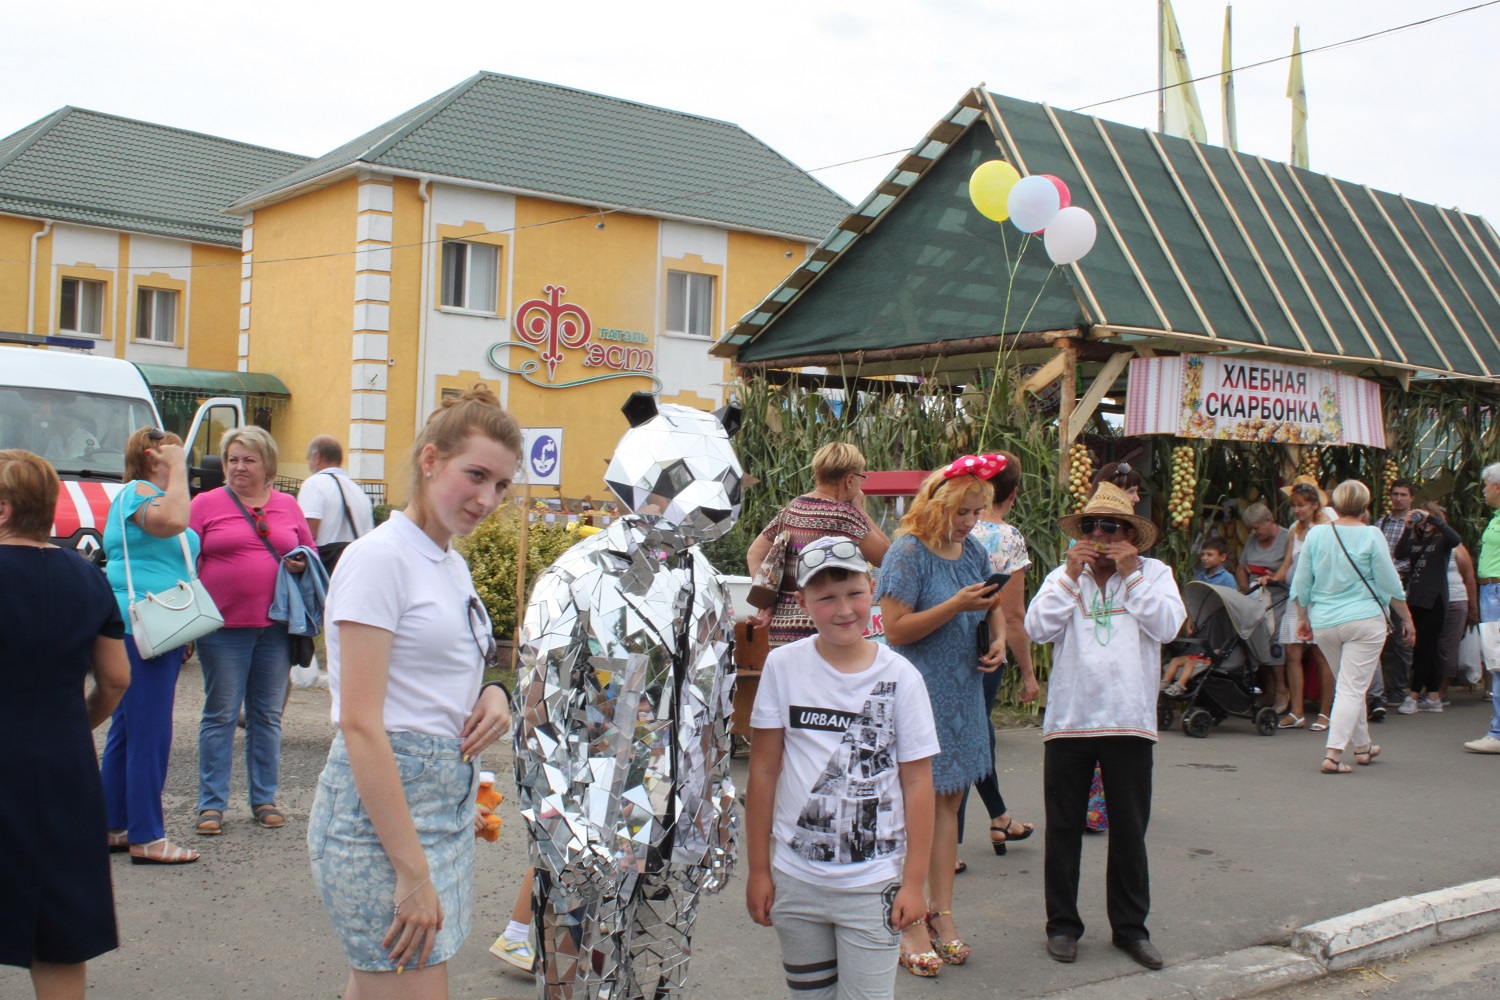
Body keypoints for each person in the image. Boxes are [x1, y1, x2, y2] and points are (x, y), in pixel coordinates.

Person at [307, 387, 517, 995]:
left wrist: (493, 694)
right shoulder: (381, 560)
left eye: (501, 485)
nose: (487, 499)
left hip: (436, 811)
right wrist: (412, 871)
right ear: (430, 461)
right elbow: (361, 724)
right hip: (380, 823)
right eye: (475, 475)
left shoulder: (448, 561)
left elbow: (442, 671)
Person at [746, 536, 939, 989]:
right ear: (802, 602)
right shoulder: (782, 666)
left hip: (873, 884)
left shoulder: (901, 678)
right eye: (826, 598)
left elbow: (918, 784)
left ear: (871, 587)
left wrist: (914, 883)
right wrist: (759, 870)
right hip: (796, 881)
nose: (843, 609)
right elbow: (763, 770)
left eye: (853, 593)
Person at [1025, 482, 1185, 971]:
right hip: (1070, 722)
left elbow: (1169, 627)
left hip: (1128, 721)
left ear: (1130, 534)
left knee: (1131, 831)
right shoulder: (1062, 576)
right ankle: (1062, 927)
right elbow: (1037, 629)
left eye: (1110, 527)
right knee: (1064, 830)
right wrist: (1071, 577)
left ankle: (1131, 930)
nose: (1098, 536)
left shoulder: (1154, 574)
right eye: (1090, 527)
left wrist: (1131, 574)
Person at [0, 449, 131, 1000]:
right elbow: (117, 679)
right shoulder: (88, 578)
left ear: (3, 508)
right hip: (63, 761)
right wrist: (73, 724)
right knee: (59, 930)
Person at [874, 457, 1005, 972]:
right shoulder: (907, 552)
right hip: (919, 693)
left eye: (976, 513)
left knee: (949, 802)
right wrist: (955, 605)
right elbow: (896, 629)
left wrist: (996, 638)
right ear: (937, 503)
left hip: (964, 689)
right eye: (962, 513)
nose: (970, 523)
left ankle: (941, 913)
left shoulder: (971, 548)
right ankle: (906, 922)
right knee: (913, 808)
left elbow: (991, 600)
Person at [189, 426, 315, 836]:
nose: (239, 467)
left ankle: (264, 799)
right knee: (221, 714)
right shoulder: (206, 504)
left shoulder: (287, 506)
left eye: (248, 460)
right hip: (221, 627)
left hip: (276, 628)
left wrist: (298, 561)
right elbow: (186, 559)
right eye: (232, 460)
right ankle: (211, 805)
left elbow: (310, 553)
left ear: (267, 466)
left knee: (266, 716)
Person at [100, 428, 201, 864]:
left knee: (128, 729)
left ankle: (115, 824)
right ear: (150, 455)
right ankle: (147, 835)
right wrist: (177, 468)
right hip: (145, 624)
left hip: (155, 622)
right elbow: (176, 521)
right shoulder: (139, 494)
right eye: (174, 450)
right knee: (151, 731)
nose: (184, 458)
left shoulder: (140, 496)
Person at [1289, 481, 1415, 774]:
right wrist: (1407, 618)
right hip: (1364, 621)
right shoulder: (1372, 535)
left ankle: (1362, 747)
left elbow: (1302, 581)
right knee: (1352, 687)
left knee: (1349, 684)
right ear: (1365, 506)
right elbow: (1389, 583)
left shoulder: (1317, 533)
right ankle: (1333, 754)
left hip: (1325, 621)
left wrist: (1302, 617)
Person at [960, 452, 1039, 859]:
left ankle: (997, 818)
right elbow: (1013, 613)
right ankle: (960, 838)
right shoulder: (1007, 538)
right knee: (970, 736)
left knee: (970, 733)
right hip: (986, 647)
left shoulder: (954, 527)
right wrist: (1028, 673)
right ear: (1013, 493)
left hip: (943, 642)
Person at [746, 442, 890, 645]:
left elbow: (754, 553)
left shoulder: (791, 509)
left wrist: (768, 603)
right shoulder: (845, 516)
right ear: (850, 480)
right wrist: (860, 510)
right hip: (828, 630)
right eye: (861, 477)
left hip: (783, 634)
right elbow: (887, 557)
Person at [1274, 483, 1333, 730]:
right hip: (1297, 596)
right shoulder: (1293, 530)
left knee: (1322, 655)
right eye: (1294, 506)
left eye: (1301, 505)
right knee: (1292, 652)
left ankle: (1325, 713)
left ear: (1314, 506)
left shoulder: (1327, 527)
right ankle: (1297, 712)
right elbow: (1288, 562)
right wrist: (1273, 578)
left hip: (1321, 597)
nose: (1297, 510)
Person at [1393, 503, 1461, 714]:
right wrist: (1408, 527)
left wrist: (1432, 518)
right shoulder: (1417, 541)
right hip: (1415, 600)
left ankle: (1413, 695)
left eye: (1426, 519)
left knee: (1424, 647)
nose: (1424, 523)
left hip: (1435, 600)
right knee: (1426, 649)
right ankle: (1432, 697)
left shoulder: (1442, 541)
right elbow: (1400, 553)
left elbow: (1455, 539)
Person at [297, 435, 376, 575]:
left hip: (324, 570)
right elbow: (369, 538)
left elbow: (309, 533)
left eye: (309, 459)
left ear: (317, 457)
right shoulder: (358, 491)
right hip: (354, 569)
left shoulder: (314, 484)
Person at [1466, 462, 1500, 754]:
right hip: (1492, 589)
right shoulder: (1496, 518)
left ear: (1497, 486)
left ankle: (1498, 733)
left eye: (1486, 486)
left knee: (1498, 661)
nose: (1484, 491)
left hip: (1497, 591)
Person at [1374, 481, 1418, 711]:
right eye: (1395, 494)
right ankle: (1377, 691)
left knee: (1403, 641)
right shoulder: (1380, 523)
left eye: (1403, 495)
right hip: (1381, 587)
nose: (1398, 498)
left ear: (1411, 498)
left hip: (1403, 584)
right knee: (1378, 639)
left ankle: (1397, 689)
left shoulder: (1415, 524)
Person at [1435, 535, 1479, 705]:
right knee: (1431, 646)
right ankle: (1431, 689)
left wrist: (1473, 610)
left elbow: (1469, 577)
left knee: (1448, 647)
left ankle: (1441, 691)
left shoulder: (1456, 547)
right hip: (1430, 602)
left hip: (1455, 600)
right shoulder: (1420, 544)